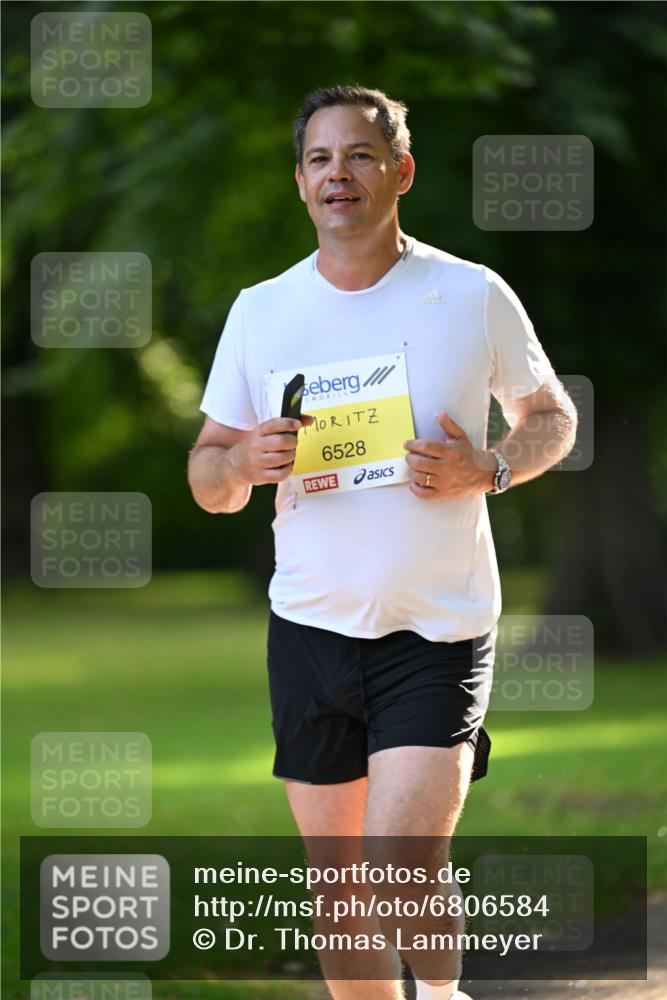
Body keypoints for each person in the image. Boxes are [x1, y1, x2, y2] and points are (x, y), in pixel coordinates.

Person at [188, 84, 577, 1000]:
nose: (339, 175)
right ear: (299, 182)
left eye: (359, 155)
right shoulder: (261, 310)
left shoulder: (469, 292)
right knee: (340, 890)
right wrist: (242, 457)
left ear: (399, 171)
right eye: (320, 159)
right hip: (311, 630)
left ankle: (441, 996)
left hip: (434, 629)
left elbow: (550, 416)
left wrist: (489, 469)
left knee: (401, 857)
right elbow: (207, 480)